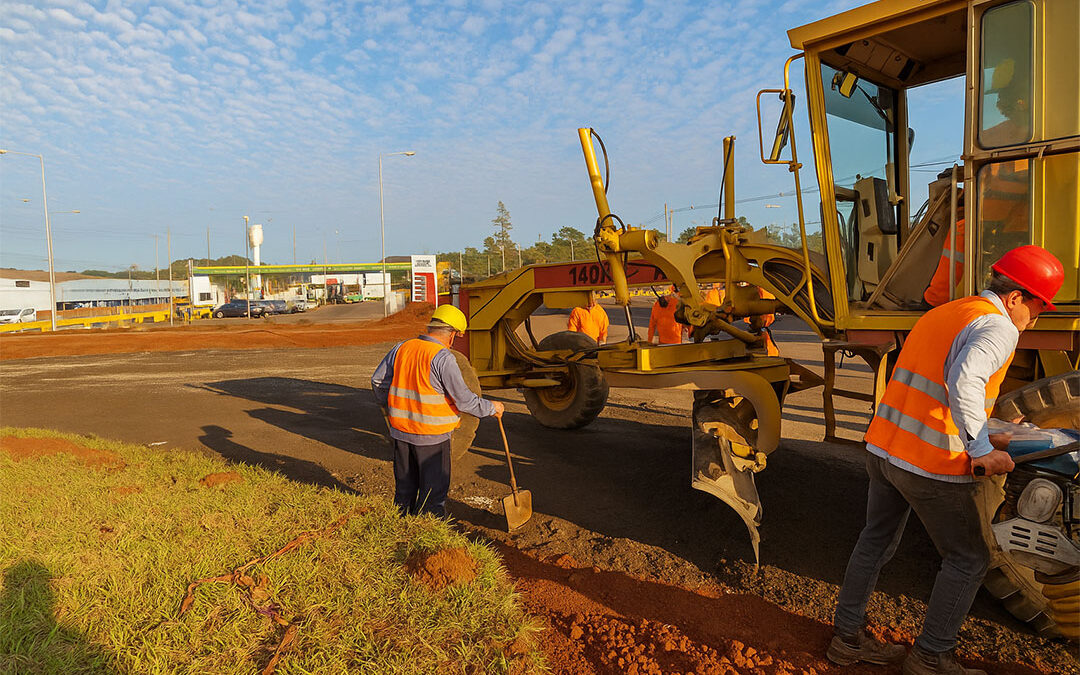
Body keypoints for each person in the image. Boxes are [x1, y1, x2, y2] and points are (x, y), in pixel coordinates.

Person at [828, 245, 1064, 675]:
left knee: (875, 540)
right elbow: (965, 381)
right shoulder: (998, 327)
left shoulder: (948, 313)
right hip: (930, 465)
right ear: (1015, 298)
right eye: (1038, 308)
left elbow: (936, 389)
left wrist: (990, 427)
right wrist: (981, 450)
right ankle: (932, 657)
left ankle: (846, 639)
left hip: (885, 450)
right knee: (969, 559)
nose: (1035, 319)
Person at [371, 304, 504, 518]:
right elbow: (464, 401)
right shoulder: (443, 358)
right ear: (452, 335)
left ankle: (398, 535)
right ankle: (429, 544)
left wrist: (393, 409)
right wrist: (492, 408)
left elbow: (378, 381)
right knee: (433, 497)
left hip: (401, 435)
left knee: (404, 493)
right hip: (432, 440)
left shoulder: (401, 348)